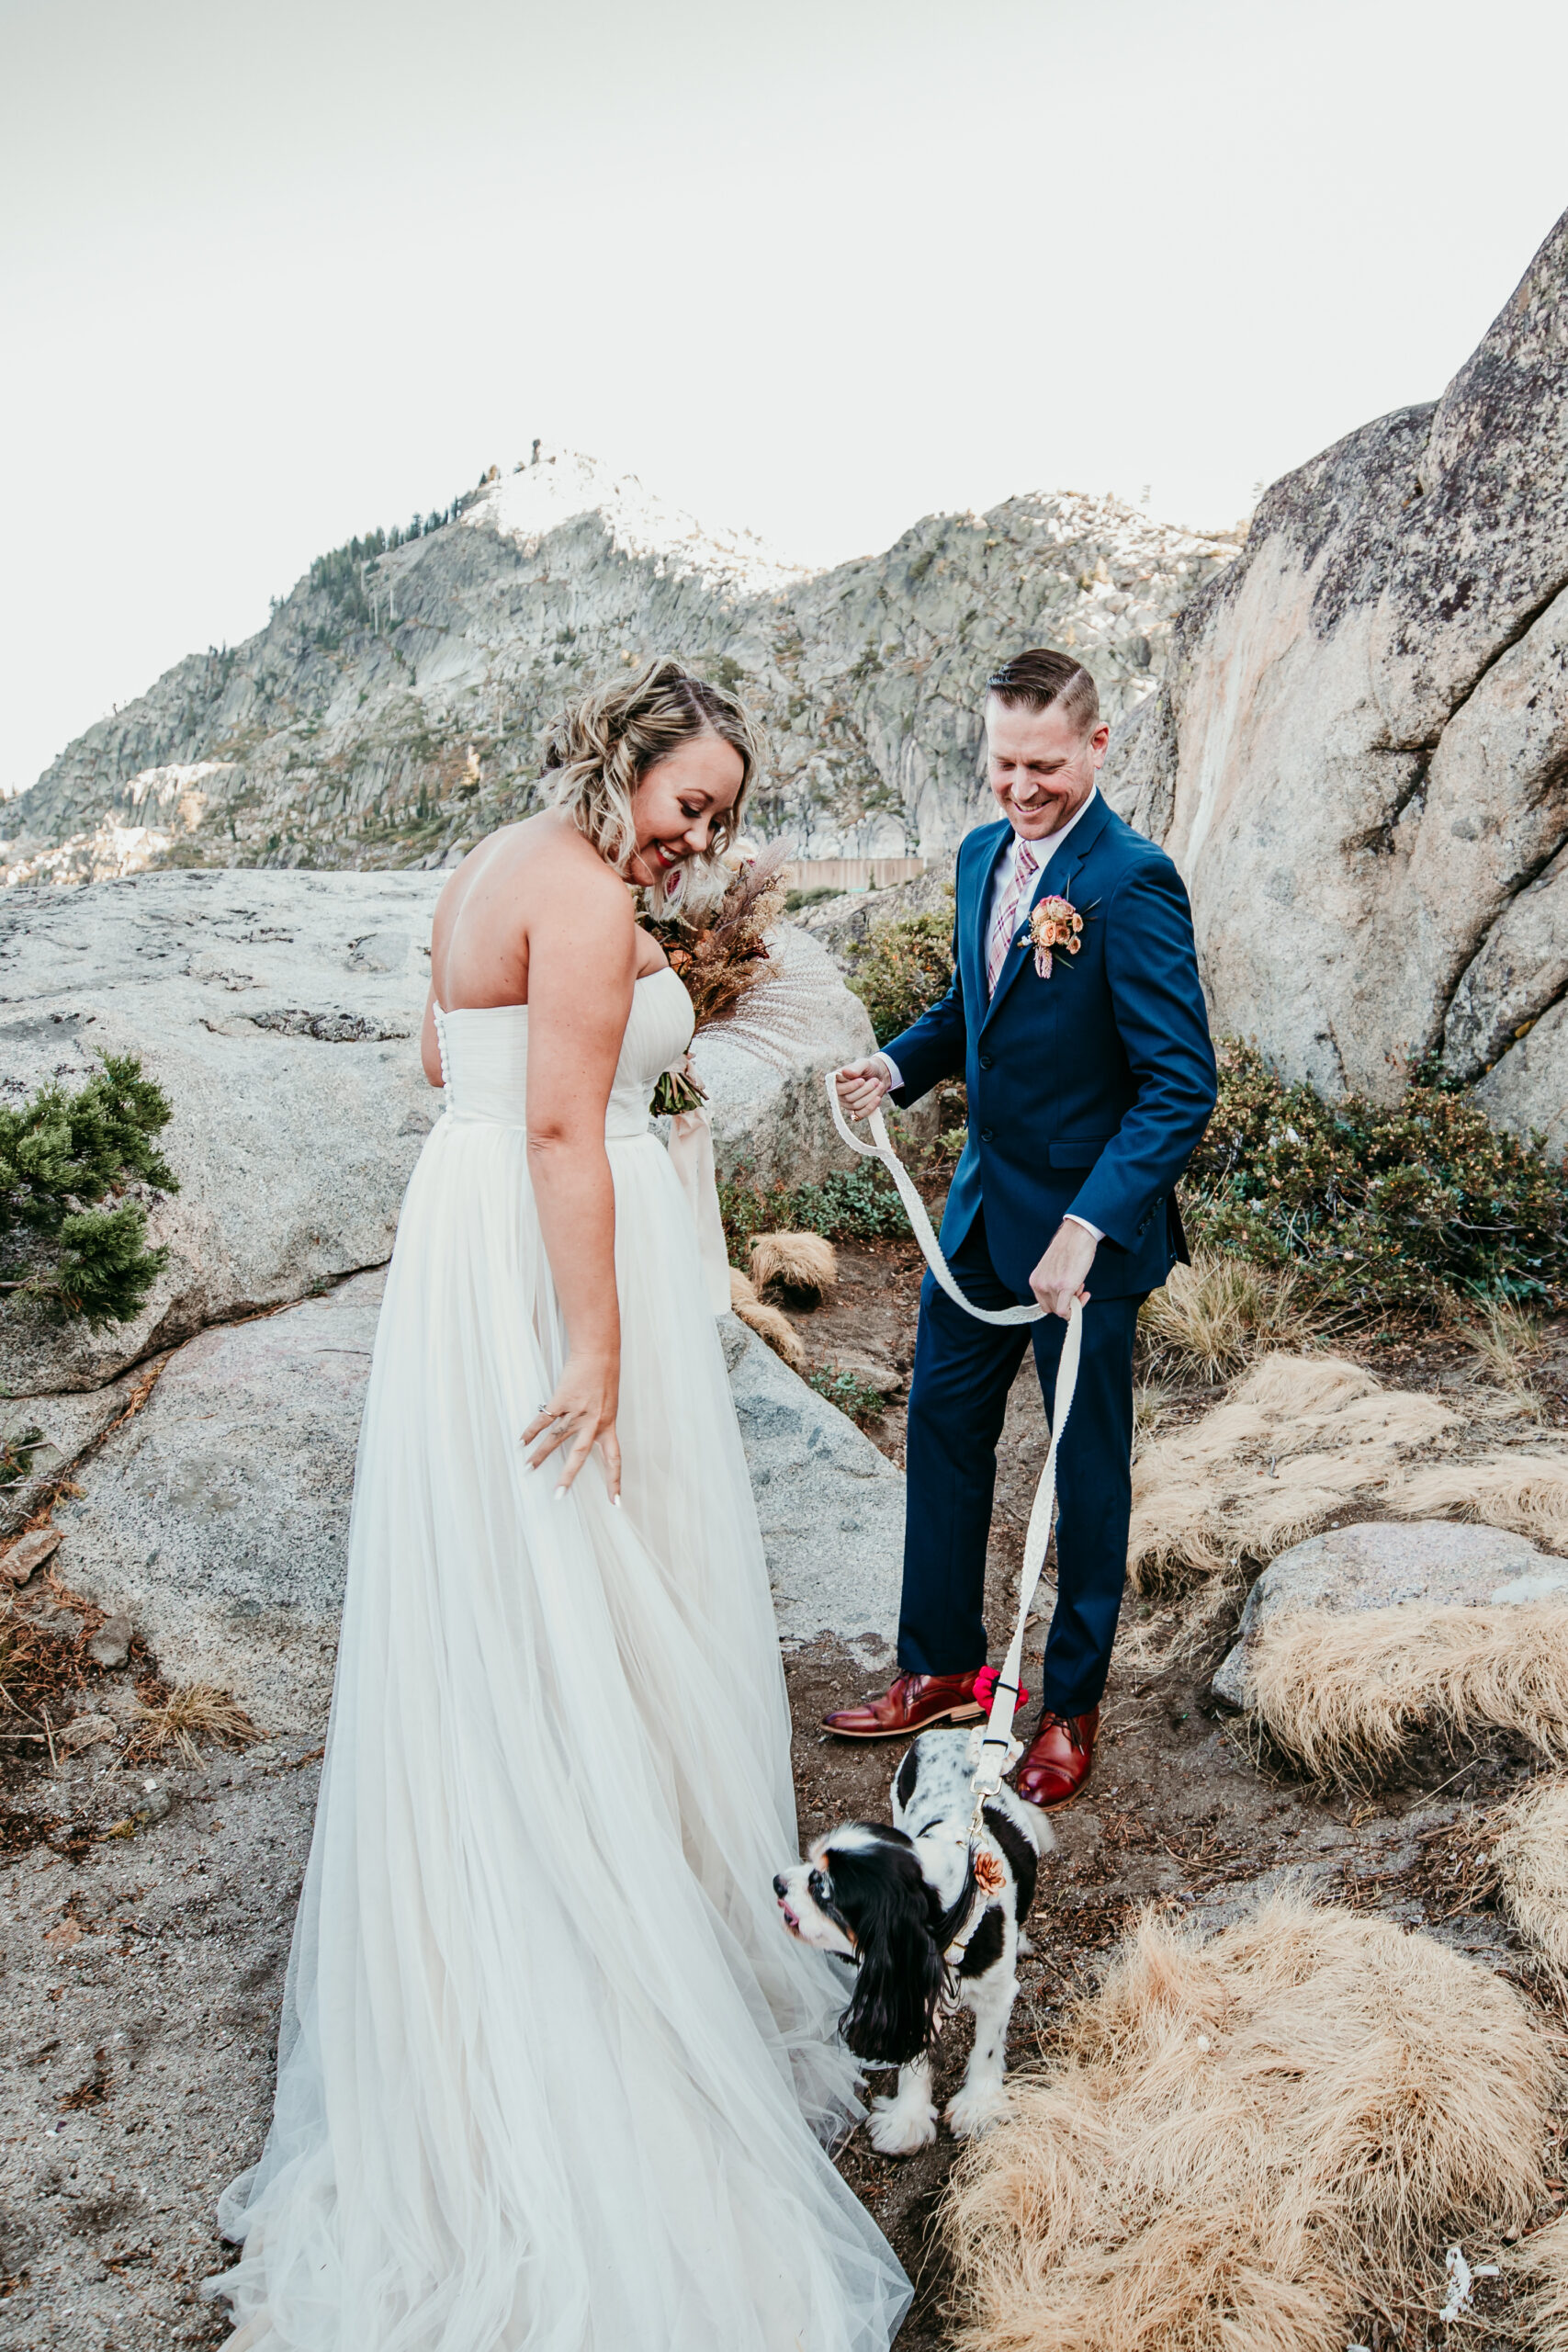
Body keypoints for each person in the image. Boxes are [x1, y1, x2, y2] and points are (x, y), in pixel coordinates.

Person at [205, 660, 910, 2350]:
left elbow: (447, 1061)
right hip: (545, 1267)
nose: (699, 839)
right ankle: (596, 1968)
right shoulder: (589, 900)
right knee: (597, 1584)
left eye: (722, 822)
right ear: (625, 768)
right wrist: (599, 1351)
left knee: (507, 1611)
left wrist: (616, 1091)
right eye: (690, 806)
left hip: (463, 1254)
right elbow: (557, 1141)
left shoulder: (484, 869)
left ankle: (500, 1927)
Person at [824, 650, 1216, 1809]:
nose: (1021, 787)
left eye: (1044, 764)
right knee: (941, 1420)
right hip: (985, 1211)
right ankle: (942, 1660)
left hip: (1083, 1248)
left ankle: (1071, 1706)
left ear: (1098, 748)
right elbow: (974, 1004)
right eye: (1004, 762)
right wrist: (897, 1063)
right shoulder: (981, 855)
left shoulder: (1131, 882)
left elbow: (1178, 1085)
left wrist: (1092, 1225)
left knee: (1083, 1468)